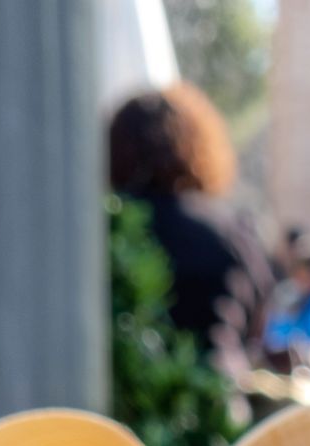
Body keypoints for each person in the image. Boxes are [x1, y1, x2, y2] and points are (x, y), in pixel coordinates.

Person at [108, 83, 274, 377]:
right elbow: (258, 318)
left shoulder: (110, 230)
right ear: (200, 147)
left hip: (113, 398)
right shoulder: (228, 230)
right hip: (217, 393)